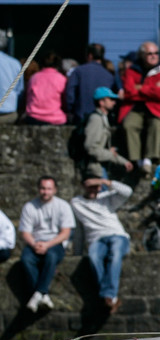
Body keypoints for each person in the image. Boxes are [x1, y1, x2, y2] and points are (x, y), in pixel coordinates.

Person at [71, 177, 133, 313]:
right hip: (96, 239)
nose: (94, 189)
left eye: (96, 186)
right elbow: (79, 229)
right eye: (91, 186)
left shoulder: (107, 198)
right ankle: (110, 297)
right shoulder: (76, 203)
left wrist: (105, 182)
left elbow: (128, 191)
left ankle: (108, 295)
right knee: (94, 257)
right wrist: (77, 252)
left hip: (117, 235)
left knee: (115, 254)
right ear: (83, 186)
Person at [17, 175, 76, 313]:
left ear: (55, 190)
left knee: (51, 257)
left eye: (49, 189)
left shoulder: (63, 206)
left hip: (55, 243)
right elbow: (25, 232)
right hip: (35, 243)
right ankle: (43, 295)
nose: (45, 192)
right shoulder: (29, 207)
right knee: (26, 259)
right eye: (43, 188)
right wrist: (35, 245)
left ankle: (37, 294)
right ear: (38, 189)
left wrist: (47, 245)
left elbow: (65, 233)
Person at [119, 41, 160, 170]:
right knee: (129, 125)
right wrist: (152, 89)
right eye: (150, 54)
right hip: (135, 107)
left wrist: (141, 88)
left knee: (156, 125)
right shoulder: (132, 71)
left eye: (156, 53)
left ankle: (150, 158)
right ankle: (136, 159)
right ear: (142, 55)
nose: (154, 56)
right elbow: (129, 92)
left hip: (155, 108)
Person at [77, 86, 133, 180]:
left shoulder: (103, 118)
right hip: (95, 170)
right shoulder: (96, 119)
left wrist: (123, 161)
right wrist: (110, 154)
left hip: (100, 168)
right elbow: (91, 148)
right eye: (110, 99)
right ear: (101, 102)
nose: (114, 102)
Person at [64, 44, 118, 122]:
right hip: (101, 119)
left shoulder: (78, 71)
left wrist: (71, 110)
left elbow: (70, 94)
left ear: (90, 55)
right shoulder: (109, 76)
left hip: (80, 117)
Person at [20, 49, 67, 125]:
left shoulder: (34, 78)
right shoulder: (61, 79)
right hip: (55, 118)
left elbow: (27, 98)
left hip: (33, 117)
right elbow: (65, 101)